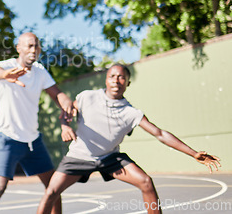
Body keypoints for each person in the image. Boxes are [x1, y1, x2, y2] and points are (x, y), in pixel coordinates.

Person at [37, 63, 221, 214]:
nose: (116, 80)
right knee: (51, 192)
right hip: (79, 156)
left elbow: (160, 134)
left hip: (109, 158)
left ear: (128, 83)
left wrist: (194, 153)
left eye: (121, 77)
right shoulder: (87, 97)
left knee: (146, 182)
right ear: (106, 80)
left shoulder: (130, 113)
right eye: (112, 76)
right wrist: (65, 126)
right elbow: (66, 113)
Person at [0, 32, 73, 214]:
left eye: (36, 46)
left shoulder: (40, 71)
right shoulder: (5, 66)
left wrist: (66, 102)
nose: (34, 49)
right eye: (29, 46)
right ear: (18, 48)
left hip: (32, 140)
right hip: (5, 137)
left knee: (53, 188)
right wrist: (6, 75)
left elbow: (57, 94)